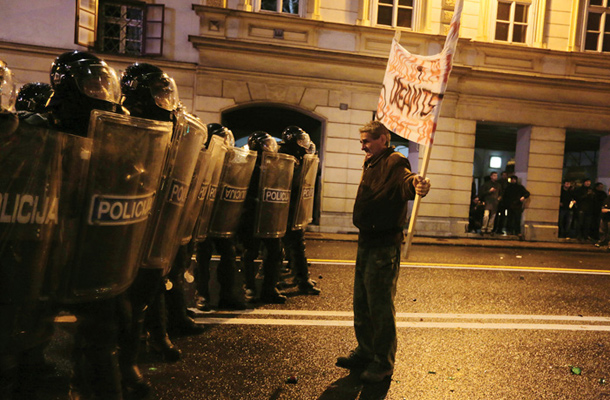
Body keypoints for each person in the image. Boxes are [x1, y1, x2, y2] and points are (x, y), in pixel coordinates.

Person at [335, 121, 430, 383]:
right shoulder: (372, 161)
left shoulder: (395, 161)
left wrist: (418, 186)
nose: (363, 146)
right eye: (362, 141)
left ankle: (383, 362)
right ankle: (366, 351)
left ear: (383, 139)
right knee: (362, 302)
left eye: (367, 141)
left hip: (383, 243)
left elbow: (407, 183)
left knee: (379, 305)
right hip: (366, 239)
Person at [195, 123, 247, 311]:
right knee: (203, 257)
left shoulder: (232, 162)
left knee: (229, 256)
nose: (227, 143)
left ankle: (228, 295)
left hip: (223, 217)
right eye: (222, 139)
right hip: (204, 217)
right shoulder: (202, 157)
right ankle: (202, 295)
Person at [238, 131, 289, 304]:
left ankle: (269, 289)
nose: (269, 147)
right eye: (265, 144)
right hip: (251, 216)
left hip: (269, 215)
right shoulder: (246, 164)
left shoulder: (275, 165)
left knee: (275, 252)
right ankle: (249, 287)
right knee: (250, 252)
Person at [278, 126, 320, 295]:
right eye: (300, 140)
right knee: (287, 245)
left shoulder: (295, 156)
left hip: (290, 208)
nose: (304, 144)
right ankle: (299, 280)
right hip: (282, 208)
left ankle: (298, 278)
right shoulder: (284, 158)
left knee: (293, 244)